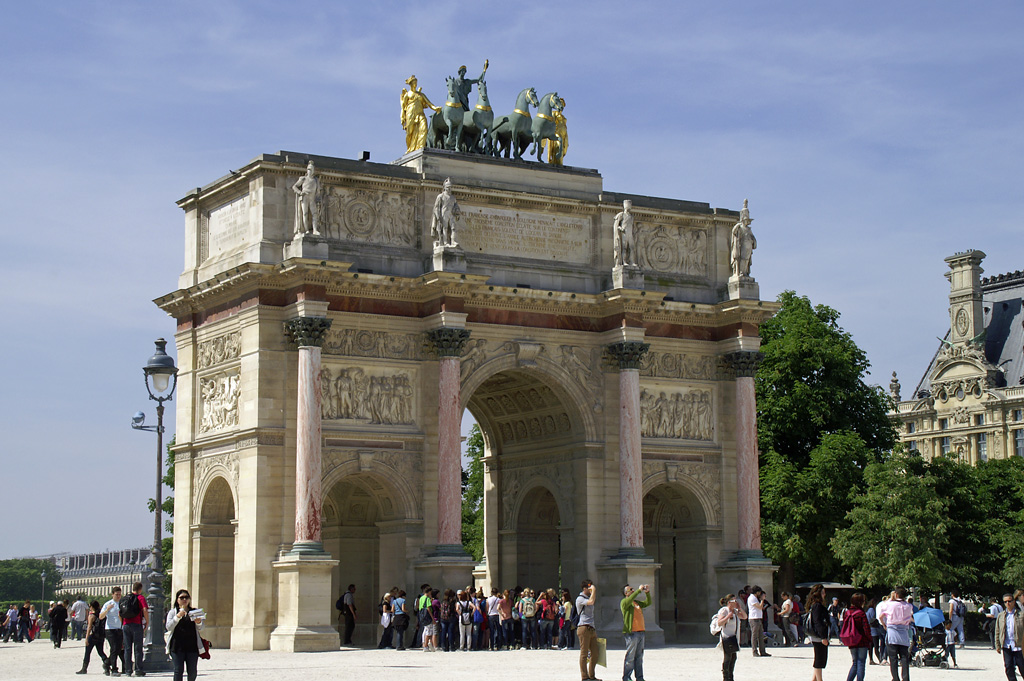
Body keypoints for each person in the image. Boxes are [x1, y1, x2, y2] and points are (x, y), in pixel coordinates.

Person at [165, 589, 204, 681]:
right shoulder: (173, 612)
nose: (184, 599)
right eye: (181, 597)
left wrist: (198, 623)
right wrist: (177, 617)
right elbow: (168, 627)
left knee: (192, 671)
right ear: (177, 600)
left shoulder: (194, 611)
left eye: (186, 597)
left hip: (192, 646)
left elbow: (201, 628)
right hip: (177, 646)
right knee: (178, 670)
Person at [400, 75, 441, 153]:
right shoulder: (407, 95)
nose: (415, 84)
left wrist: (435, 108)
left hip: (420, 114)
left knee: (424, 128)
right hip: (410, 114)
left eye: (416, 82)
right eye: (414, 82)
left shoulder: (421, 95)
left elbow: (429, 103)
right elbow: (403, 107)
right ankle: (409, 148)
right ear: (411, 84)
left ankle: (420, 147)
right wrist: (402, 117)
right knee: (409, 133)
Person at [880, 587, 913, 681]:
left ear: (896, 594)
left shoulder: (890, 604)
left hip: (892, 631)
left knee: (893, 657)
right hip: (904, 631)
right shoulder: (908, 605)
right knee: (904, 657)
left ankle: (895, 678)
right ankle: (906, 678)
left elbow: (881, 616)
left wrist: (884, 624)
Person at [621, 584, 652, 681]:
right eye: (630, 590)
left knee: (639, 656)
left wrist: (647, 593)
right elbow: (628, 601)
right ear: (626, 593)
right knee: (630, 656)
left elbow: (647, 603)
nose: (633, 591)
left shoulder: (636, 603)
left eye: (633, 589)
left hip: (640, 632)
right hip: (631, 633)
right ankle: (626, 677)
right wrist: (638, 591)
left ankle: (639, 677)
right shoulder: (624, 602)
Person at [716, 594, 747, 681]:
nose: (736, 602)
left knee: (734, 657)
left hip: (734, 638)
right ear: (729, 602)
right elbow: (719, 623)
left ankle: (731, 676)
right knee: (728, 657)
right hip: (727, 637)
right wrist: (728, 616)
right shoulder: (724, 610)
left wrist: (740, 608)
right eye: (734, 601)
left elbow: (744, 617)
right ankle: (726, 677)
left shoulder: (735, 611)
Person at [121, 581, 149, 677]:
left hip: (126, 624)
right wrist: (147, 622)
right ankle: (138, 670)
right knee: (138, 648)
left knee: (127, 649)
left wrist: (123, 623)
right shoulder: (140, 598)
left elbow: (119, 612)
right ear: (140, 589)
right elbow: (145, 609)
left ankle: (128, 670)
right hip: (137, 624)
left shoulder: (125, 598)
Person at [844, 592, 872, 681]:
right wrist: (870, 639)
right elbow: (866, 628)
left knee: (855, 663)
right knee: (861, 663)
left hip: (851, 640)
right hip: (862, 640)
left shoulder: (847, 612)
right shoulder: (861, 613)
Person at [996, 592, 1024, 681]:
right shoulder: (1001, 616)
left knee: (1022, 667)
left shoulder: (1021, 615)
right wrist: (997, 645)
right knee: (1008, 667)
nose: (1007, 603)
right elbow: (997, 631)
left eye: (1009, 601)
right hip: (1006, 645)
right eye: (1005, 602)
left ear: (1014, 601)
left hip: (1019, 646)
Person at [77, 600, 108, 675]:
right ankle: (107, 666)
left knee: (87, 653)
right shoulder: (101, 615)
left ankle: (84, 669)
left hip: (93, 636)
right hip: (100, 636)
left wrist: (87, 638)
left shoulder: (91, 616)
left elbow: (89, 627)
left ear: (91, 606)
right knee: (101, 652)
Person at [576, 579, 598, 681]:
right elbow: (591, 602)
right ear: (585, 588)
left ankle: (592, 675)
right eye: (589, 587)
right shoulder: (580, 599)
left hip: (591, 627)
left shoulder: (589, 596)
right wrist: (593, 590)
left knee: (595, 653)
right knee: (584, 654)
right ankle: (585, 677)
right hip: (583, 627)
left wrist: (592, 592)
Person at [291, 160, 321, 236]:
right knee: (305, 214)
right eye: (308, 169)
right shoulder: (303, 178)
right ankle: (306, 230)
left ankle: (315, 230)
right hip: (304, 198)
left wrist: (318, 199)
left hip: (312, 198)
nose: (309, 171)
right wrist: (300, 192)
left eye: (311, 169)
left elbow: (318, 191)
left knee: (314, 214)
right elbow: (294, 186)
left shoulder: (316, 180)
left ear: (313, 171)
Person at [100, 587, 124, 675]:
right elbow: (101, 616)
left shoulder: (122, 603)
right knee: (114, 648)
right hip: (110, 629)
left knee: (118, 649)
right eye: (116, 594)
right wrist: (107, 610)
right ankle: (114, 669)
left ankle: (106, 664)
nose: (118, 596)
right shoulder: (108, 604)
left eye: (119, 594)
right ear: (112, 594)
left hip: (120, 628)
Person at [808, 583, 830, 681]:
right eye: (823, 593)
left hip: (818, 635)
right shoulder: (817, 606)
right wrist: (823, 637)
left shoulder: (816, 605)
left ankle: (814, 679)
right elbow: (818, 622)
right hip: (818, 636)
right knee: (820, 659)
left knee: (820, 658)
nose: (824, 595)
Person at [612, 200, 637, 267]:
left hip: (630, 234)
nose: (629, 206)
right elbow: (616, 225)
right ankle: (624, 261)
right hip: (624, 233)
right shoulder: (621, 215)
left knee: (632, 248)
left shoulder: (631, 216)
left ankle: (632, 261)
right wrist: (620, 229)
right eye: (628, 205)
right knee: (625, 248)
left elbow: (633, 226)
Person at [746, 586, 769, 657]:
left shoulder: (754, 598)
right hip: (754, 618)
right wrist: (762, 600)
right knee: (754, 635)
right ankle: (754, 651)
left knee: (760, 636)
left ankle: (762, 651)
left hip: (758, 618)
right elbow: (759, 607)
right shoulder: (752, 598)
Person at [866, 598, 885, 664]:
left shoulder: (868, 610)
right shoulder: (872, 610)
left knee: (871, 645)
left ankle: (871, 659)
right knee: (876, 646)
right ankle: (880, 659)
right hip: (874, 630)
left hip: (871, 630)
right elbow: (874, 619)